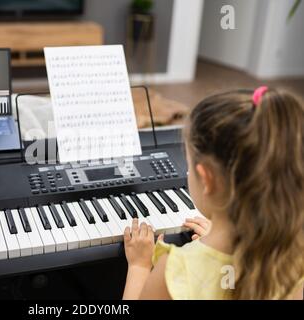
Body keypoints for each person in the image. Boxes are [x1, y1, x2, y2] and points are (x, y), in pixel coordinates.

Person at [122, 87, 304, 299]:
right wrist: (218, 240)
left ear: (206, 179)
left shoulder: (177, 270)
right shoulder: (295, 258)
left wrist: (139, 266)